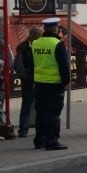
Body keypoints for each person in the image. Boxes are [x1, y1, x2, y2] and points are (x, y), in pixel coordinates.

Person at [32, 17, 70, 150]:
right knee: (53, 114)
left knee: (41, 113)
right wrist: (66, 82)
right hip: (54, 84)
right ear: (56, 28)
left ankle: (39, 140)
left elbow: (31, 64)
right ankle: (52, 141)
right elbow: (64, 66)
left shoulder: (36, 43)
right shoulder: (57, 44)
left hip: (39, 84)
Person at [15, 25, 41, 138]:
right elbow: (18, 64)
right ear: (33, 36)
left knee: (40, 104)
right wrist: (24, 76)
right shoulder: (22, 47)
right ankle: (23, 129)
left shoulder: (40, 46)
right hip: (29, 79)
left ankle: (40, 128)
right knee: (27, 104)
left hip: (40, 78)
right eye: (38, 36)